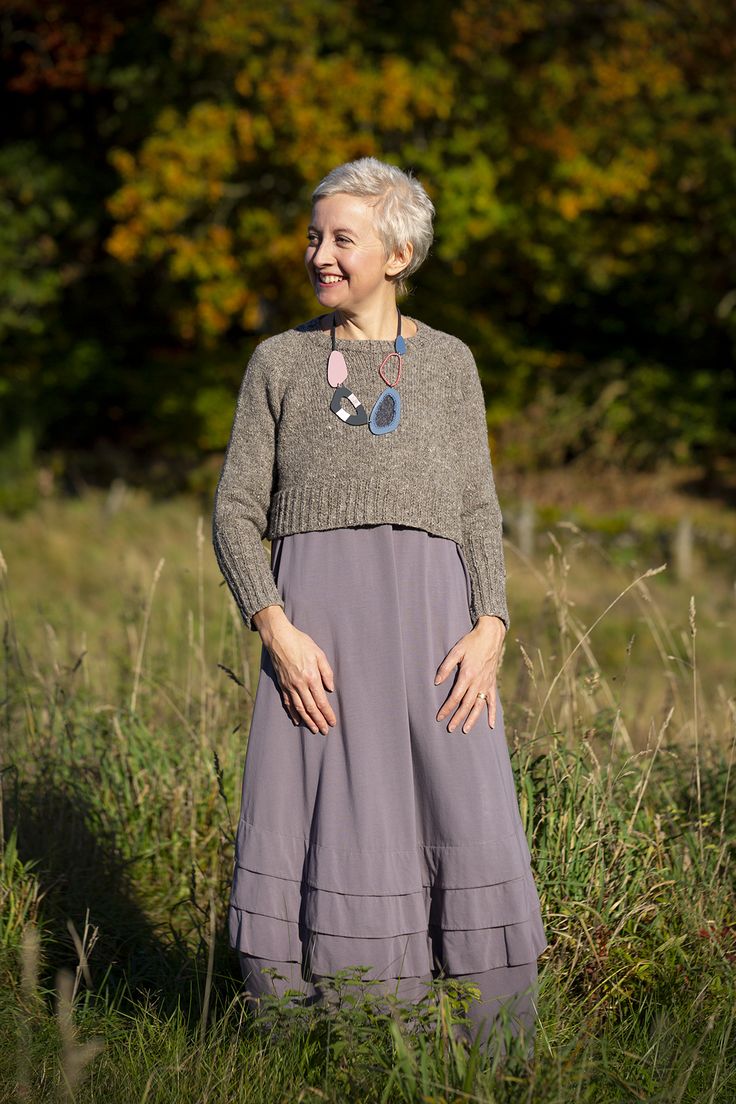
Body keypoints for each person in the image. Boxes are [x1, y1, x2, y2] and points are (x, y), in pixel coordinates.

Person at [212, 156, 547, 1055]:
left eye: (342, 238)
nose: (321, 252)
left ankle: (495, 1053)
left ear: (397, 252)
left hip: (440, 636)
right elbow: (236, 511)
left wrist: (492, 626)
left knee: (465, 812)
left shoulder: (449, 364)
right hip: (317, 641)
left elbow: (479, 506)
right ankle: (333, 1041)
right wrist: (274, 628)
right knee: (321, 815)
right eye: (314, 236)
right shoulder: (280, 363)